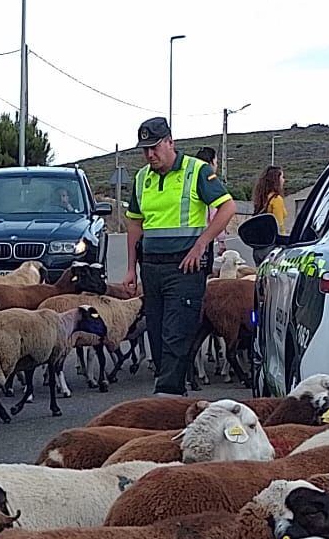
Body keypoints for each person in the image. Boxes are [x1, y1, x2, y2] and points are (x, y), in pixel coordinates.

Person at [123, 118, 237, 396]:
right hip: (151, 268)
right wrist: (130, 269)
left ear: (170, 143)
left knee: (177, 335)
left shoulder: (195, 171)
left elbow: (227, 207)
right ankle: (172, 398)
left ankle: (166, 398)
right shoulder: (142, 178)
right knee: (159, 338)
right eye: (145, 150)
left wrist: (201, 245)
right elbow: (135, 224)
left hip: (185, 268)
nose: (150, 155)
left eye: (154, 147)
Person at [253, 165, 289, 233]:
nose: (284, 180)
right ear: (276, 180)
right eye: (282, 177)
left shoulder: (263, 198)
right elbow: (279, 225)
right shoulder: (276, 199)